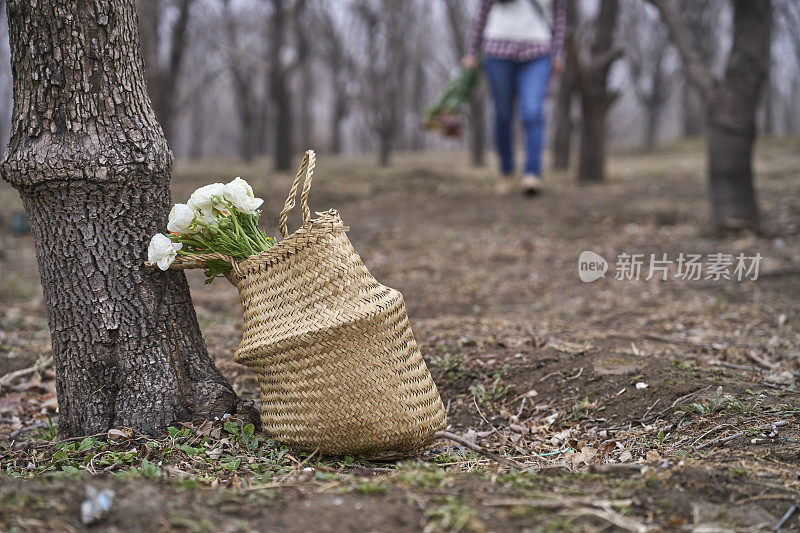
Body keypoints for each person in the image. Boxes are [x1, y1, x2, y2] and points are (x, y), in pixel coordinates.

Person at [462, 0, 566, 195]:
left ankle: (532, 173)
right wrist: (471, 51)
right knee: (502, 115)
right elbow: (482, 13)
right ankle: (507, 172)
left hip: (538, 50)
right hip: (497, 50)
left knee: (533, 112)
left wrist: (559, 53)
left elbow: (558, 16)